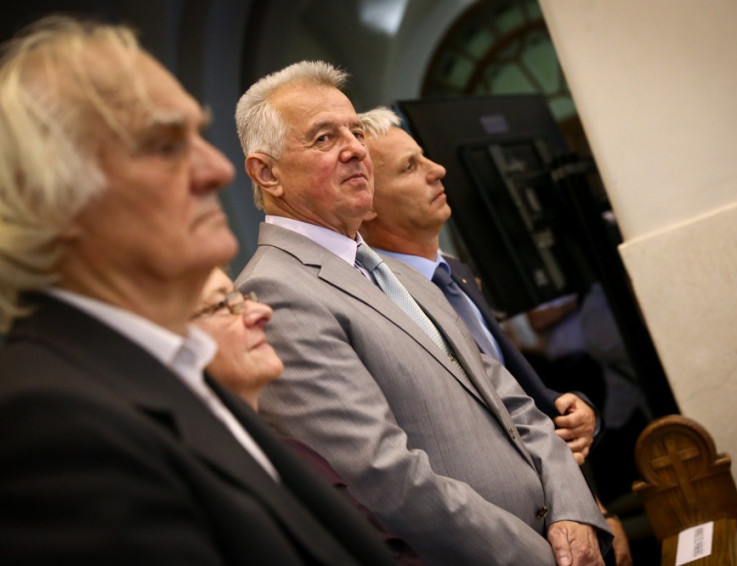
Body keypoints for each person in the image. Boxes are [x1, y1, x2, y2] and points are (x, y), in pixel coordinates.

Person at [0, 16, 398, 565]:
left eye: (199, 136)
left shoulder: (168, 367)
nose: (217, 169)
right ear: (50, 190)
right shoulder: (48, 422)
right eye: (165, 146)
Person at [234, 59, 612, 566]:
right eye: (324, 138)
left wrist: (575, 512)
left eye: (355, 131)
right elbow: (384, 477)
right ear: (267, 173)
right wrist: (543, 556)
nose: (355, 149)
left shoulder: (397, 270)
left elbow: (515, 404)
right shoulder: (275, 291)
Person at [357, 106, 633, 566]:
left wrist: (577, 427)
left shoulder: (455, 274)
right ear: (366, 203)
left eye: (424, 156)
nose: (437, 169)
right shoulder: (387, 306)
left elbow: (517, 402)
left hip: (566, 510)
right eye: (409, 167)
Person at [192, 267, 426, 566]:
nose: (262, 312)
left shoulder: (297, 453)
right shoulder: (206, 481)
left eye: (242, 297)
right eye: (224, 305)